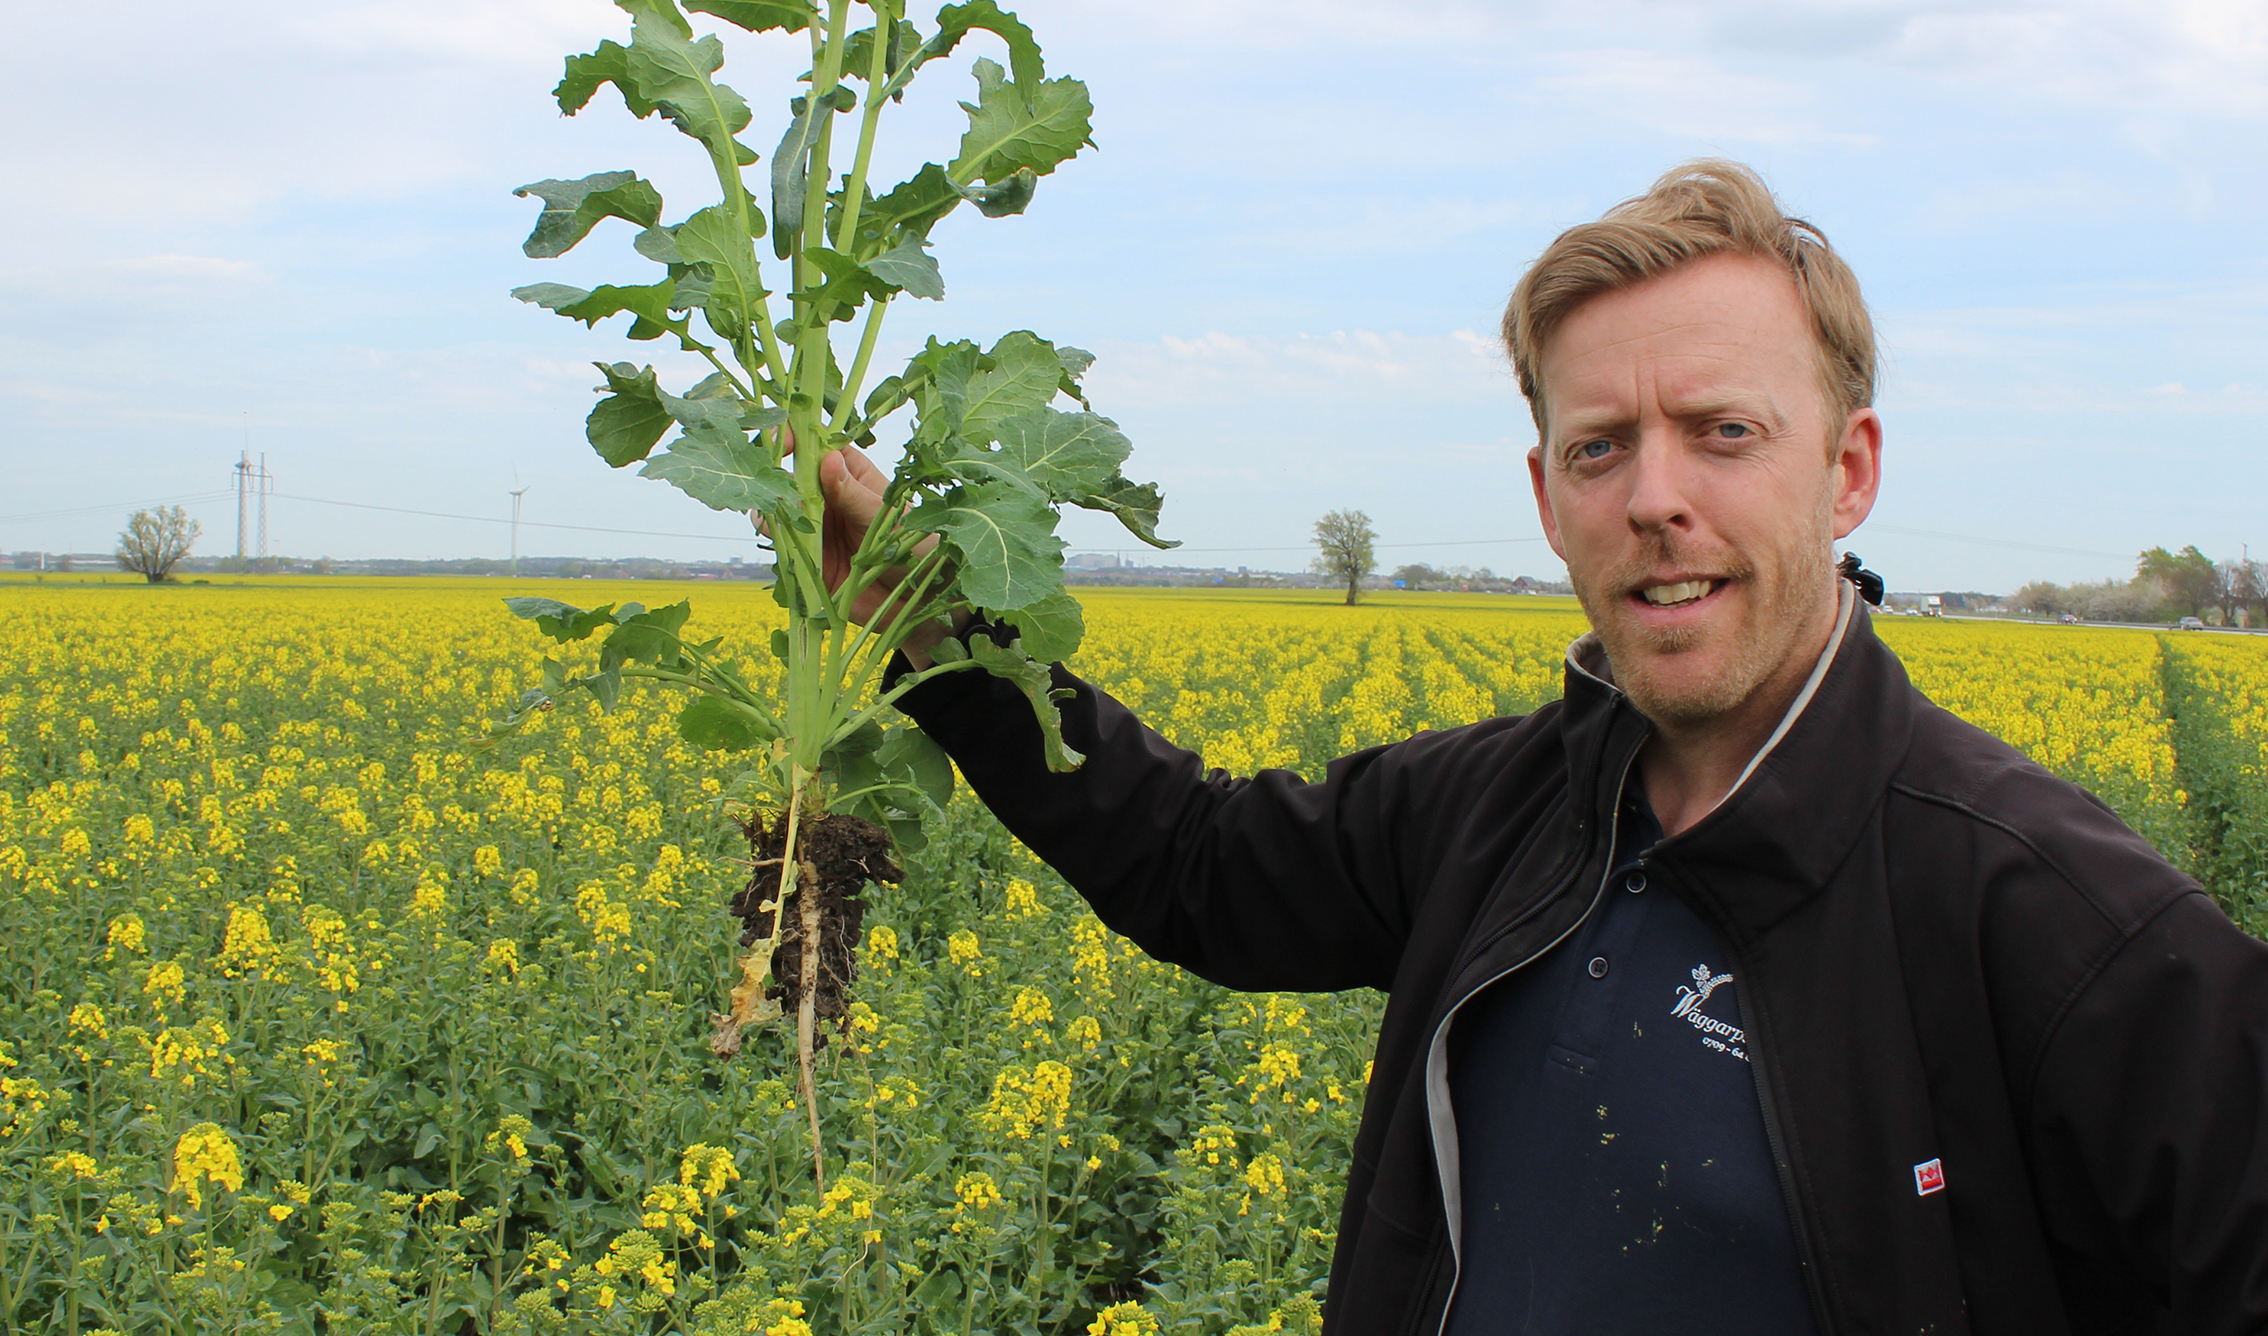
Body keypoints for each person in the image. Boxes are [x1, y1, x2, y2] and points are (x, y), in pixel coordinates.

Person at [803, 162, 2268, 1334]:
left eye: (1725, 432)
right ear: (1547, 495)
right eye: (1600, 447)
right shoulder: (1498, 814)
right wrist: (942, 632)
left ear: (1851, 471)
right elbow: (1194, 861)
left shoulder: (2081, 941)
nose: (1655, 499)